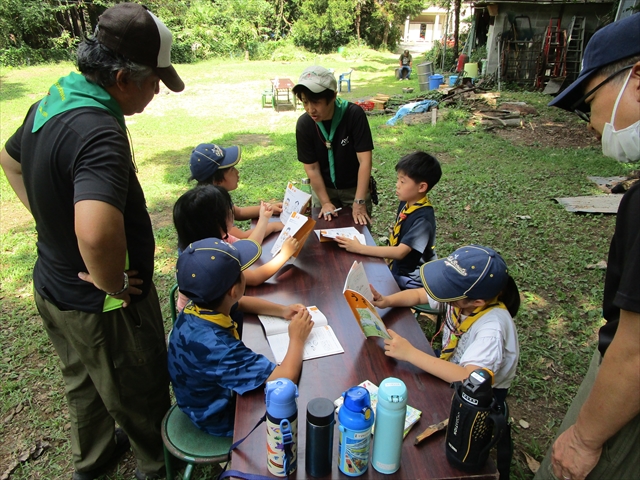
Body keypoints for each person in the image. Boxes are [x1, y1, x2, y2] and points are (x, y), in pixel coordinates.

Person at [0, 4, 183, 480]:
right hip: (101, 307)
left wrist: (49, 221)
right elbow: (96, 232)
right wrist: (116, 282)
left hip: (54, 287)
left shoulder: (54, 100)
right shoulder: (99, 131)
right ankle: (155, 464)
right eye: (153, 80)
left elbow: (10, 159)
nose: (158, 89)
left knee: (83, 381)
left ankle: (95, 457)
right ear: (122, 77)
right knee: (139, 386)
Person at [534, 14, 640, 480]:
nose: (592, 123)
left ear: (637, 78)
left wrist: (583, 438)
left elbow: (636, 349)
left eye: (589, 101)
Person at [167, 237, 313, 436]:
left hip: (197, 398)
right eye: (241, 272)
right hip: (219, 416)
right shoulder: (218, 348)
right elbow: (285, 378)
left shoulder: (198, 306)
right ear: (234, 290)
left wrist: (283, 310)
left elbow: (239, 303)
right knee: (296, 410)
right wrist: (297, 338)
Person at [371, 245, 520, 398]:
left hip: (477, 395)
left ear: (477, 302)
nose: (441, 291)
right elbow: (418, 294)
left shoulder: (492, 331)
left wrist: (410, 353)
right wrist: (387, 300)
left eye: (447, 289)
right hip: (451, 363)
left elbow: (468, 379)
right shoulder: (459, 297)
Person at [173, 185, 299, 312]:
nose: (232, 213)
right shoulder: (212, 263)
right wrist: (284, 255)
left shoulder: (219, 240)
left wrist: (264, 219)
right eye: (228, 210)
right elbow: (255, 278)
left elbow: (249, 245)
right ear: (216, 222)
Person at [335, 151, 442, 289]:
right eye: (398, 179)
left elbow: (400, 252)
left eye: (402, 181)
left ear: (421, 187)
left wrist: (360, 248)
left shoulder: (423, 219)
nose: (397, 185)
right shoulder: (407, 203)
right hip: (398, 268)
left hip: (413, 278)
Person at [292, 66, 374, 225]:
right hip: (323, 190)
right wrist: (325, 202)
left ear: (333, 97)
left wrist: (359, 201)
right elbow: (312, 168)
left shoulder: (353, 115)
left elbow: (365, 161)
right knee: (324, 236)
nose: (310, 109)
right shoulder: (305, 124)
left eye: (316, 102)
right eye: (305, 102)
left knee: (358, 237)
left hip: (354, 190)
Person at [190, 142, 284, 239]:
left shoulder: (215, 196)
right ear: (217, 181)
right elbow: (242, 239)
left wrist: (269, 208)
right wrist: (273, 226)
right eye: (231, 169)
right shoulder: (211, 206)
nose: (237, 172)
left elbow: (239, 212)